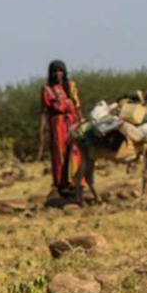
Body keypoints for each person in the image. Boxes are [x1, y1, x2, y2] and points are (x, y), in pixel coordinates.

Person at [40, 59, 83, 197]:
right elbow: (45, 110)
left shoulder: (71, 86)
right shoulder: (47, 89)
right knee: (60, 152)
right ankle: (61, 184)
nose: (58, 74)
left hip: (72, 120)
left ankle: (76, 182)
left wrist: (82, 122)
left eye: (60, 71)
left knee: (75, 150)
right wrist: (42, 130)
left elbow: (77, 106)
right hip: (57, 123)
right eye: (55, 71)